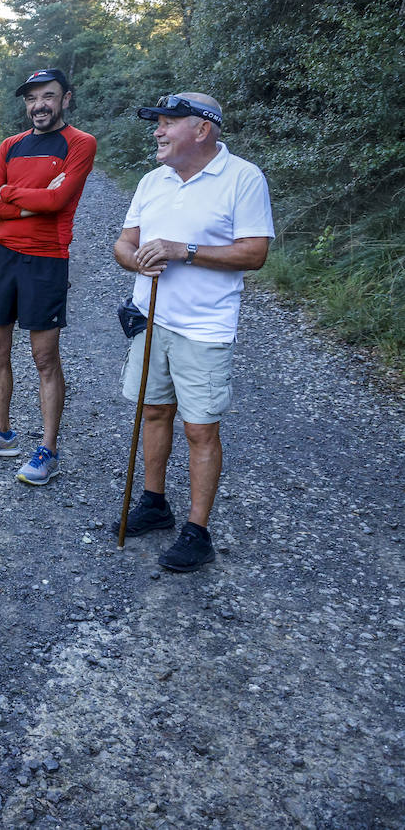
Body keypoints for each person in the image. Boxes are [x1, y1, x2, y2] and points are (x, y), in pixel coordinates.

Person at [112, 92, 274, 572]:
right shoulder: (152, 180)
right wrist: (135, 258)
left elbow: (254, 253)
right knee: (154, 412)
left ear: (201, 129)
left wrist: (187, 250)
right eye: (156, 123)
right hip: (149, 318)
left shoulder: (243, 178)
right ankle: (155, 502)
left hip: (204, 326)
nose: (157, 132)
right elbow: (125, 243)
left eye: (167, 123)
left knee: (200, 428)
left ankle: (197, 531)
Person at [0, 68, 97, 485]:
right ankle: (1, 433)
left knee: (44, 358)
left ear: (66, 99)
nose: (39, 105)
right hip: (3, 257)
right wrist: (26, 203)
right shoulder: (10, 145)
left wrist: (10, 193)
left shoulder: (80, 143)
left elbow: (58, 200)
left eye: (48, 96)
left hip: (46, 260)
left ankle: (48, 450)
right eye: (32, 98)